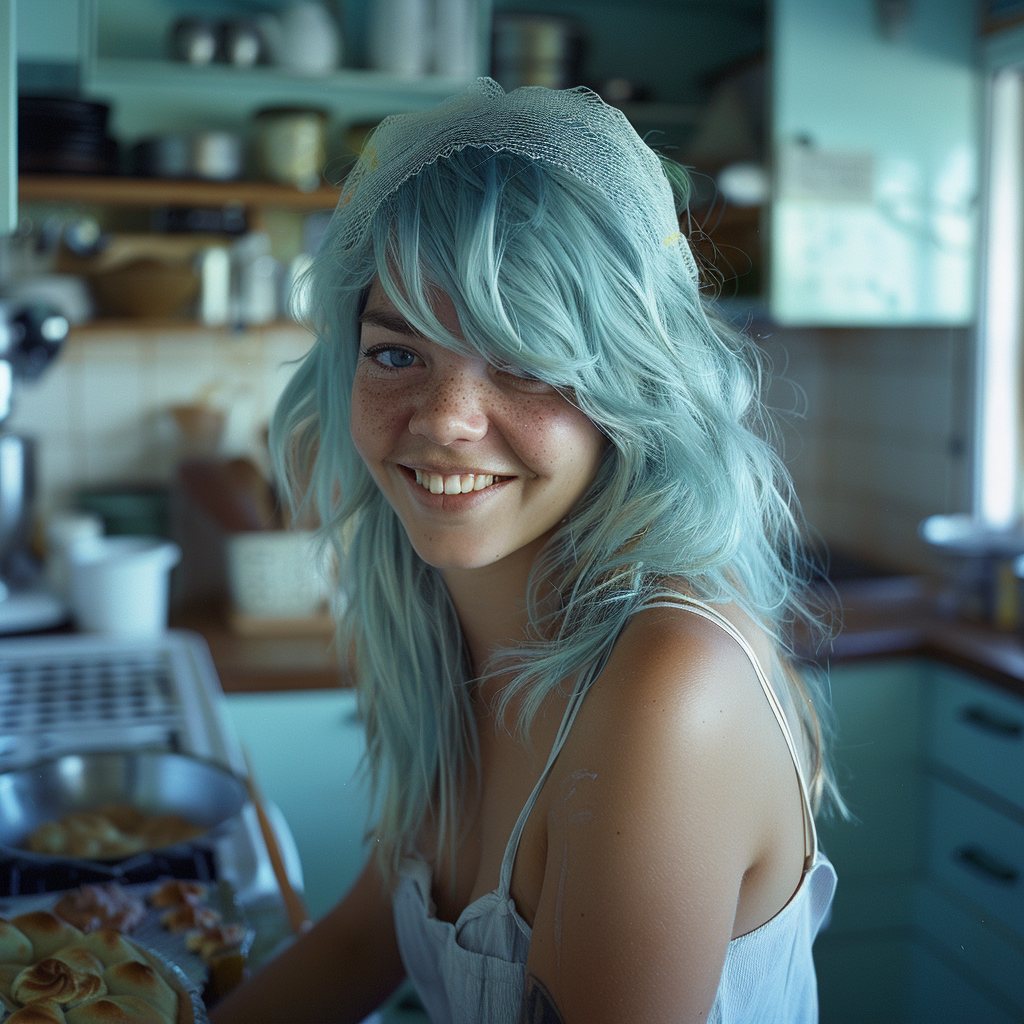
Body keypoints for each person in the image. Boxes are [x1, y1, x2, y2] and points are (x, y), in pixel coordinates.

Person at [211, 78, 839, 1024]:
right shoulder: (442, 635)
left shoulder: (669, 688)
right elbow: (358, 944)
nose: (448, 421)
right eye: (396, 353)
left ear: (628, 388)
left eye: (527, 364)